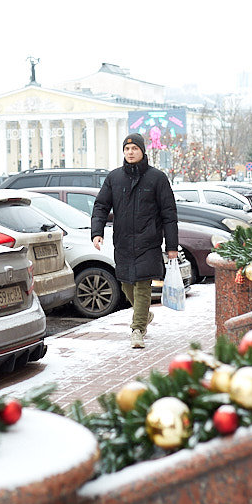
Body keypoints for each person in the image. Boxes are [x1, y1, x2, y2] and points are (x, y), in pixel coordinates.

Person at [91, 134, 179, 349]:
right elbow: (101, 206)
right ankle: (144, 314)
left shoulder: (157, 178)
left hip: (148, 242)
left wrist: (171, 246)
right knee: (126, 283)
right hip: (122, 242)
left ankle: (137, 329)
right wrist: (97, 232)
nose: (130, 152)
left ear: (142, 151)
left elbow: (169, 214)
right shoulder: (114, 178)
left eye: (134, 148)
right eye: (127, 149)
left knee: (142, 285)